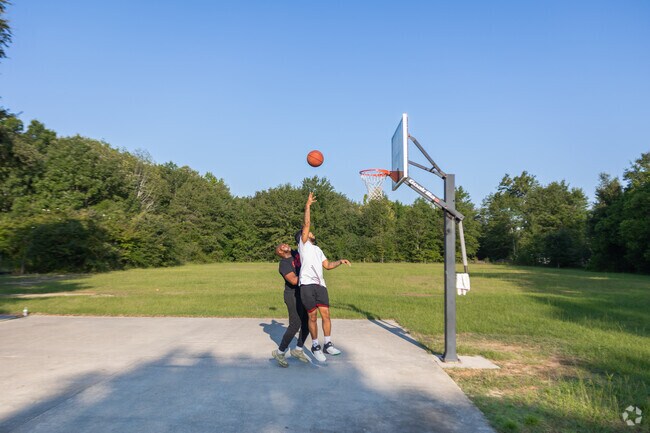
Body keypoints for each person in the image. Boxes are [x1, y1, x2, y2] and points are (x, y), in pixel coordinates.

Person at [297, 192, 351, 362]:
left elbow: (327, 266)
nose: (311, 232)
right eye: (307, 232)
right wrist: (307, 206)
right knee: (312, 317)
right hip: (306, 285)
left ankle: (327, 344)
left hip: (320, 286)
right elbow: (306, 223)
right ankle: (315, 345)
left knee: (326, 315)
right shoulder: (303, 245)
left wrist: (340, 261)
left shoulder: (318, 249)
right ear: (302, 237)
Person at [271, 243, 310, 367]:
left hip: (302, 293)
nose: (284, 245)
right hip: (292, 295)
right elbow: (293, 280)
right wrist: (310, 277)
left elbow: (303, 243)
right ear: (280, 253)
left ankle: (298, 350)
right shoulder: (284, 264)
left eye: (285, 244)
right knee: (295, 324)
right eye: (281, 247)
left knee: (308, 323)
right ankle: (280, 352)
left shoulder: (296, 255)